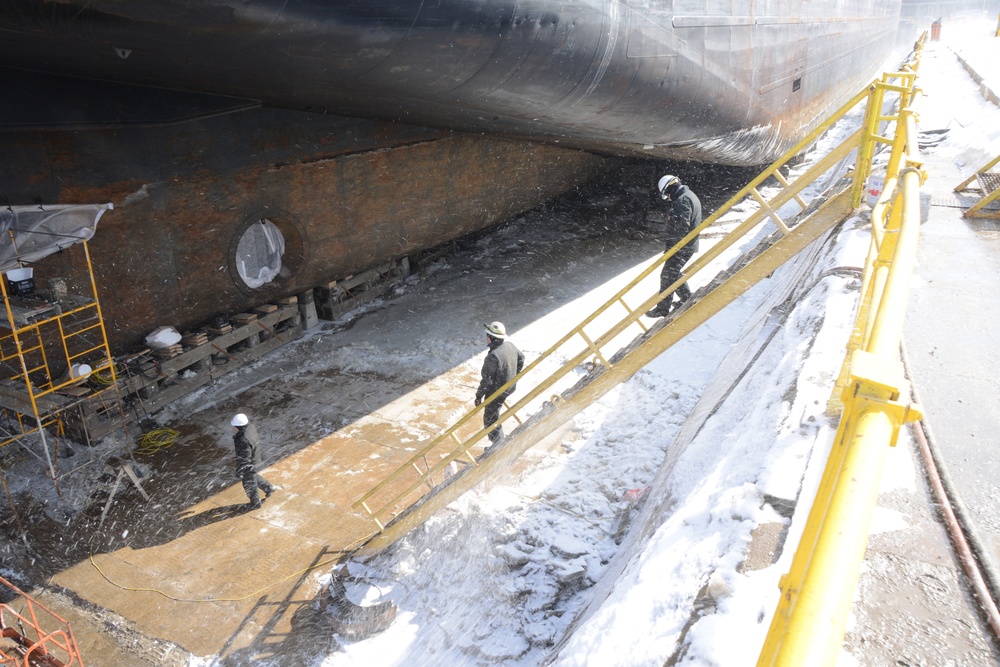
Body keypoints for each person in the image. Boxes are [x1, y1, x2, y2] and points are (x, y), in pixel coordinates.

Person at [646, 174, 702, 317]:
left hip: (681, 247)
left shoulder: (682, 201)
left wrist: (671, 247)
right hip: (687, 245)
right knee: (673, 273)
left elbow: (681, 227)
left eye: (667, 195)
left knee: (667, 275)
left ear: (670, 188)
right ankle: (686, 298)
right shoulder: (689, 195)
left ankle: (662, 309)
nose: (669, 198)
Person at [474, 322, 525, 447]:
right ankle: (498, 442)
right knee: (495, 412)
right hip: (510, 387)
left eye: (487, 335)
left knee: (490, 418)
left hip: (498, 391)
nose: (486, 337)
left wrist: (479, 396)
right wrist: (514, 375)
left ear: (492, 338)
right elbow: (521, 358)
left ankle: (498, 444)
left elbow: (486, 380)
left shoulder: (493, 356)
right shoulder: (510, 346)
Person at [231, 413, 275, 509]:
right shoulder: (250, 427)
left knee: (249, 483)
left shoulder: (243, 440)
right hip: (255, 458)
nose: (233, 428)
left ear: (238, 427)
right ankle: (269, 488)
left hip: (249, 463)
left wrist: (240, 470)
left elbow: (245, 457)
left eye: (234, 426)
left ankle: (255, 504)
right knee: (252, 476)